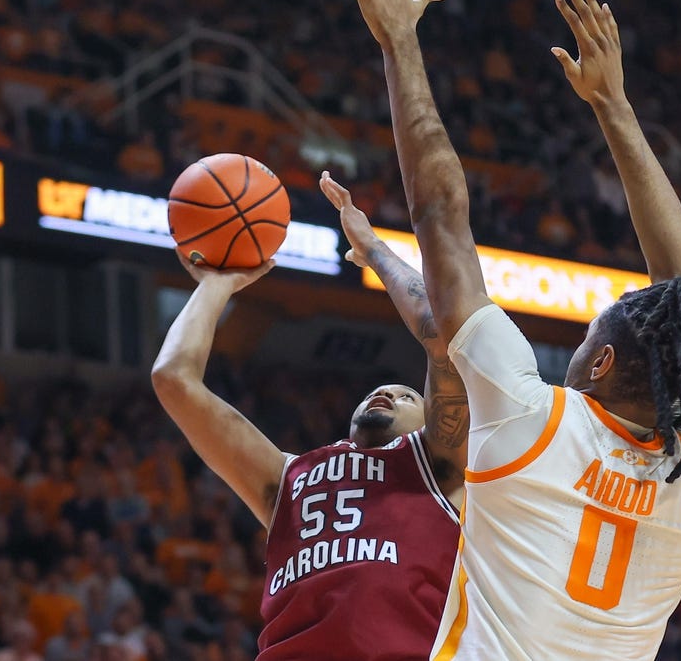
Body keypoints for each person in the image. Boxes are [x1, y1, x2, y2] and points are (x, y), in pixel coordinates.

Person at [338, 0, 681, 658]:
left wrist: (399, 42)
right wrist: (612, 108)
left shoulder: (535, 417)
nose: (577, 347)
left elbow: (440, 217)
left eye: (586, 335)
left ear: (603, 361)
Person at [151, 173, 468, 659]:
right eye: (380, 391)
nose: (385, 392)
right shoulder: (288, 477)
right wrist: (217, 284)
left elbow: (443, 338)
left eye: (406, 395)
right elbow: (174, 378)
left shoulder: (436, 465)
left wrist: (376, 253)